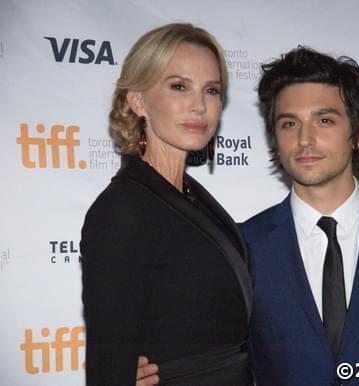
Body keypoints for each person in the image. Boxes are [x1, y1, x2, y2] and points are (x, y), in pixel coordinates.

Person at [137, 47, 359, 385]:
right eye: (290, 123)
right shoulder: (239, 247)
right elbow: (211, 365)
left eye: (324, 120)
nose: (305, 139)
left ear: (358, 133)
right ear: (275, 139)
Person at [81, 23, 253, 386]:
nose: (199, 105)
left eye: (211, 90)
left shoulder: (193, 198)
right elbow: (109, 362)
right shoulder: (122, 210)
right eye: (179, 86)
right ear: (138, 101)